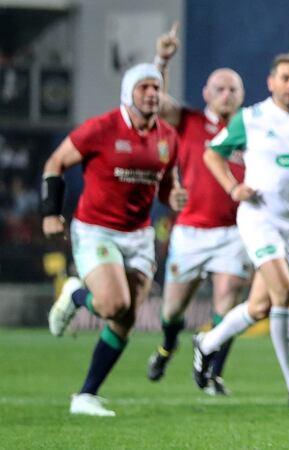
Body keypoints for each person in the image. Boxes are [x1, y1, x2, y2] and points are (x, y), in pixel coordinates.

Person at [195, 53, 289, 409]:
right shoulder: (251, 118)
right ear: (271, 82)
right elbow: (212, 154)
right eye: (286, 79)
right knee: (285, 294)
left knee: (260, 306)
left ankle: (206, 343)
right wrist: (233, 187)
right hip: (259, 218)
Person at [43, 63, 184, 417]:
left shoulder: (168, 136)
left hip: (139, 235)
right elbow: (55, 162)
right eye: (144, 87)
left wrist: (175, 196)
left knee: (126, 317)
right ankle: (75, 295)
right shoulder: (101, 128)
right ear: (128, 93)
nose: (152, 93)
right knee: (111, 304)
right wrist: (50, 212)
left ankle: (86, 395)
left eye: (156, 87)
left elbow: (167, 187)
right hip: (97, 230)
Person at [144, 26, 249, 396]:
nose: (225, 94)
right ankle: (167, 347)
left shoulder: (251, 128)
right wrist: (162, 60)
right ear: (206, 93)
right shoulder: (188, 121)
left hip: (234, 232)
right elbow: (157, 102)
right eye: (219, 89)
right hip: (190, 230)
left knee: (228, 304)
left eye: (232, 89)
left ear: (242, 95)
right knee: (172, 311)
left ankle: (212, 374)